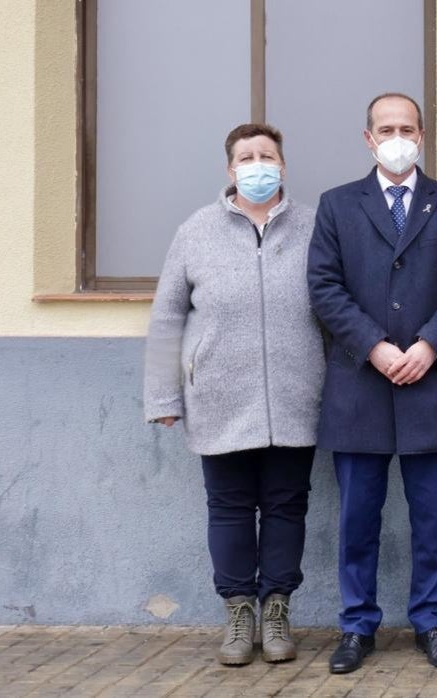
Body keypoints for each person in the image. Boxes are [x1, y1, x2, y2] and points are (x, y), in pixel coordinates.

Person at [307, 92, 437, 674]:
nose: (397, 138)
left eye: (407, 128)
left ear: (422, 135)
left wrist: (430, 344)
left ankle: (431, 621)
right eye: (386, 129)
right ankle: (357, 626)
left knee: (431, 518)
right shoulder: (337, 205)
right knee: (357, 519)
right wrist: (375, 346)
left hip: (433, 384)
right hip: (360, 385)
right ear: (368, 138)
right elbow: (324, 287)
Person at [143, 123, 323, 666]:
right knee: (228, 509)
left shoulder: (315, 226)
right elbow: (167, 316)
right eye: (247, 157)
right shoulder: (196, 231)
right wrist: (163, 398)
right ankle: (240, 612)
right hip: (218, 398)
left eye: (267, 156)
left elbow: (336, 306)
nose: (258, 165)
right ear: (230, 169)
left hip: (295, 395)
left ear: (283, 166)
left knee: (288, 506)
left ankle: (277, 610)